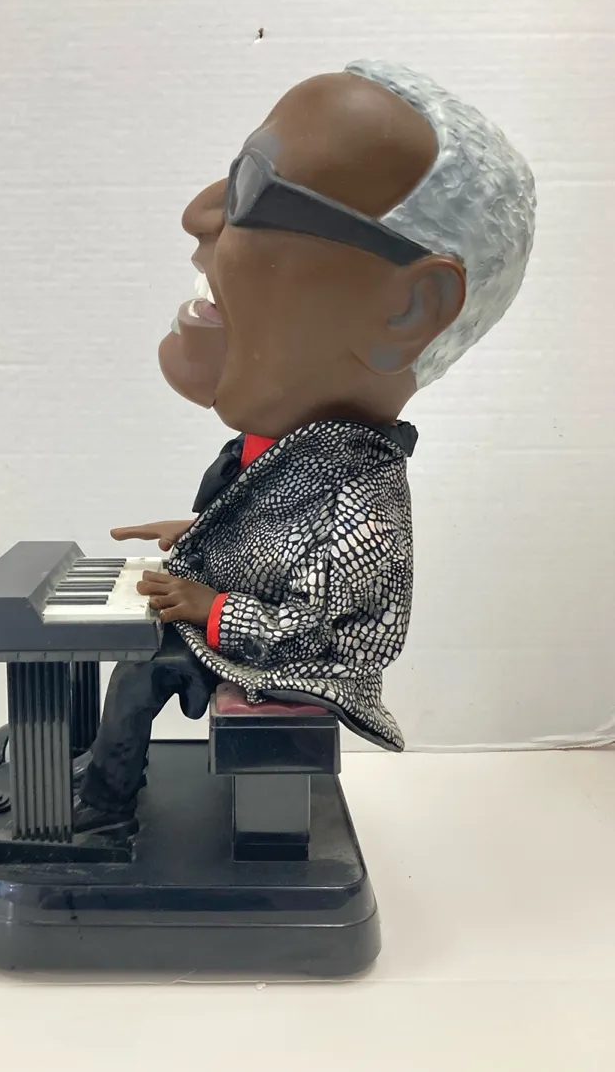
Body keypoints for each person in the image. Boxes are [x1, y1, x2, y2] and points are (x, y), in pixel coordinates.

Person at [72, 59, 536, 834]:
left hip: (297, 667)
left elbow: (317, 628)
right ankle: (95, 769)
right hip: (245, 628)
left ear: (407, 309)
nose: (199, 212)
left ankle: (102, 810)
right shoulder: (300, 457)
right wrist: (201, 532)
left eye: (255, 190)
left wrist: (211, 605)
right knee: (129, 649)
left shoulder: (364, 511)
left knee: (140, 673)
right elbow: (281, 542)